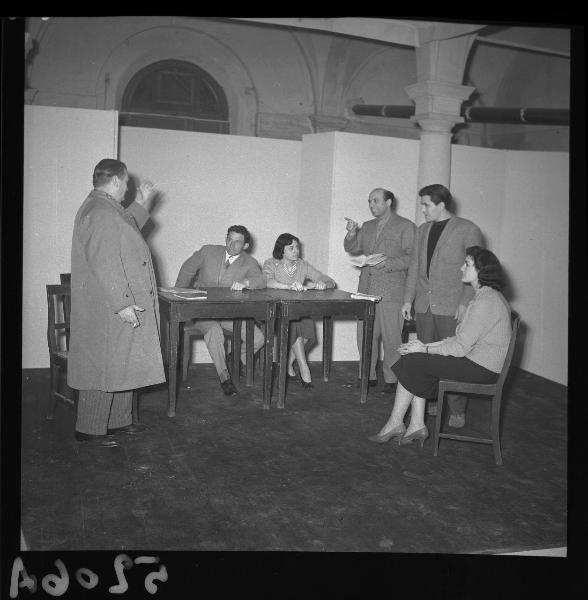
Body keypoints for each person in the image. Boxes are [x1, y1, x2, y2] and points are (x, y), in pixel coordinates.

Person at [370, 246, 512, 446]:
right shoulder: (485, 296)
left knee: (413, 360)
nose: (462, 268)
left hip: (482, 369)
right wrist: (424, 346)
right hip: (478, 362)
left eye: (467, 264)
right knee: (415, 358)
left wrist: (425, 349)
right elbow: (459, 340)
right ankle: (415, 424)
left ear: (482, 271)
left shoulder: (486, 302)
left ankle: (398, 423)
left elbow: (460, 347)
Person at [68, 158, 165, 448]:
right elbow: (105, 262)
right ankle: (90, 430)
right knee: (103, 366)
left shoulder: (104, 208)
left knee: (122, 362)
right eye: (125, 183)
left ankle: (118, 422)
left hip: (111, 306)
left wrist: (143, 202)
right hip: (110, 308)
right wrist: (122, 303)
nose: (127, 188)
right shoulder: (101, 213)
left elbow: (126, 223)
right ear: (115, 181)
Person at [402, 183, 483, 428]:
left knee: (453, 359)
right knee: (427, 356)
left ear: (441, 204)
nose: (423, 210)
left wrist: (465, 302)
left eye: (426, 205)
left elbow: (476, 268)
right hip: (425, 306)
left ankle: (457, 409)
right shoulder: (422, 230)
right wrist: (408, 299)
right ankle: (433, 400)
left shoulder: (468, 229)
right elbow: (415, 267)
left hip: (452, 306)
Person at [175, 226, 266, 396]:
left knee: (259, 338)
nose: (232, 244)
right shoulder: (208, 251)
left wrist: (246, 283)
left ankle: (235, 359)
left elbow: (261, 281)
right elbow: (187, 269)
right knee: (214, 332)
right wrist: (179, 296)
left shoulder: (250, 262)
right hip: (202, 313)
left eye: (238, 242)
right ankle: (225, 377)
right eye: (229, 239)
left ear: (246, 246)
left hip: (229, 314)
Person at [344, 188, 415, 393]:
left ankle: (392, 381)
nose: (372, 205)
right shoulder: (366, 226)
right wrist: (351, 233)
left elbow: (412, 258)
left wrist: (388, 263)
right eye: (369, 202)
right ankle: (366, 376)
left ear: (389, 202)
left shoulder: (406, 226)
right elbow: (352, 248)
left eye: (376, 201)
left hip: (392, 291)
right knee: (365, 335)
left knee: (392, 338)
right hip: (366, 289)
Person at [263, 233, 336, 388]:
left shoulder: (303, 265)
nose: (296, 251)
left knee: (310, 335)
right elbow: (267, 282)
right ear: (281, 250)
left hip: (298, 310)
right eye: (291, 248)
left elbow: (328, 280)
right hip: (275, 312)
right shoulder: (271, 264)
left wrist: (322, 284)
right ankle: (304, 369)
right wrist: (288, 286)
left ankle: (286, 364)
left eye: (297, 247)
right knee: (295, 325)